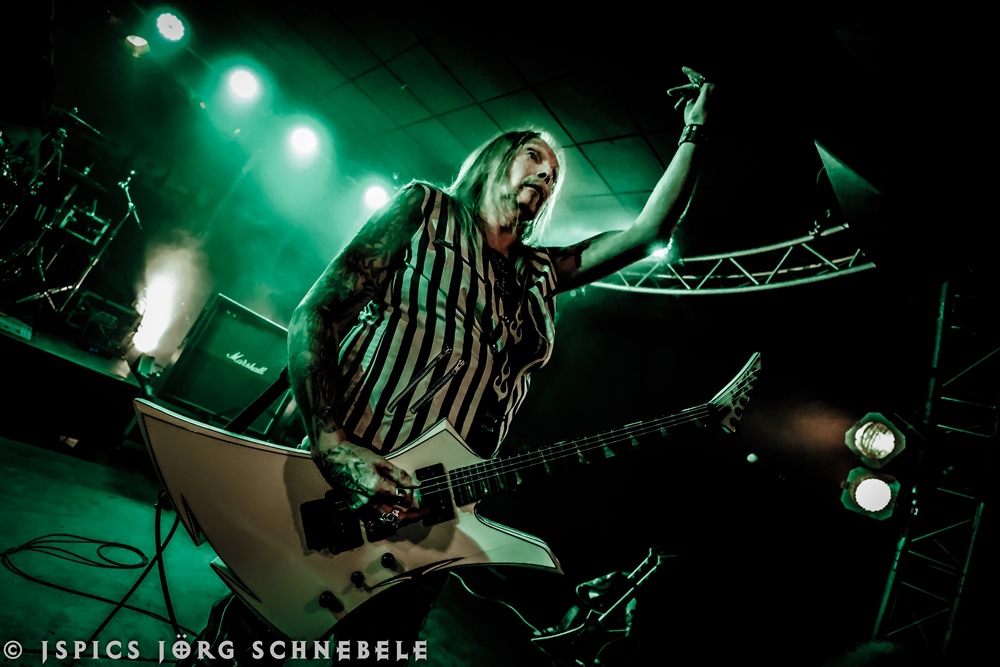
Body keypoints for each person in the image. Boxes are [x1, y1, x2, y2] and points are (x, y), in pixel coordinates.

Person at [184, 65, 714, 666]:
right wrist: (331, 444)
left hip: (437, 511)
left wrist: (694, 128)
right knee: (245, 647)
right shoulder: (426, 209)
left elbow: (648, 231)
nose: (547, 174)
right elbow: (319, 312)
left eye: (555, 175)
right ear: (493, 162)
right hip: (352, 477)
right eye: (535, 157)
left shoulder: (540, 272)